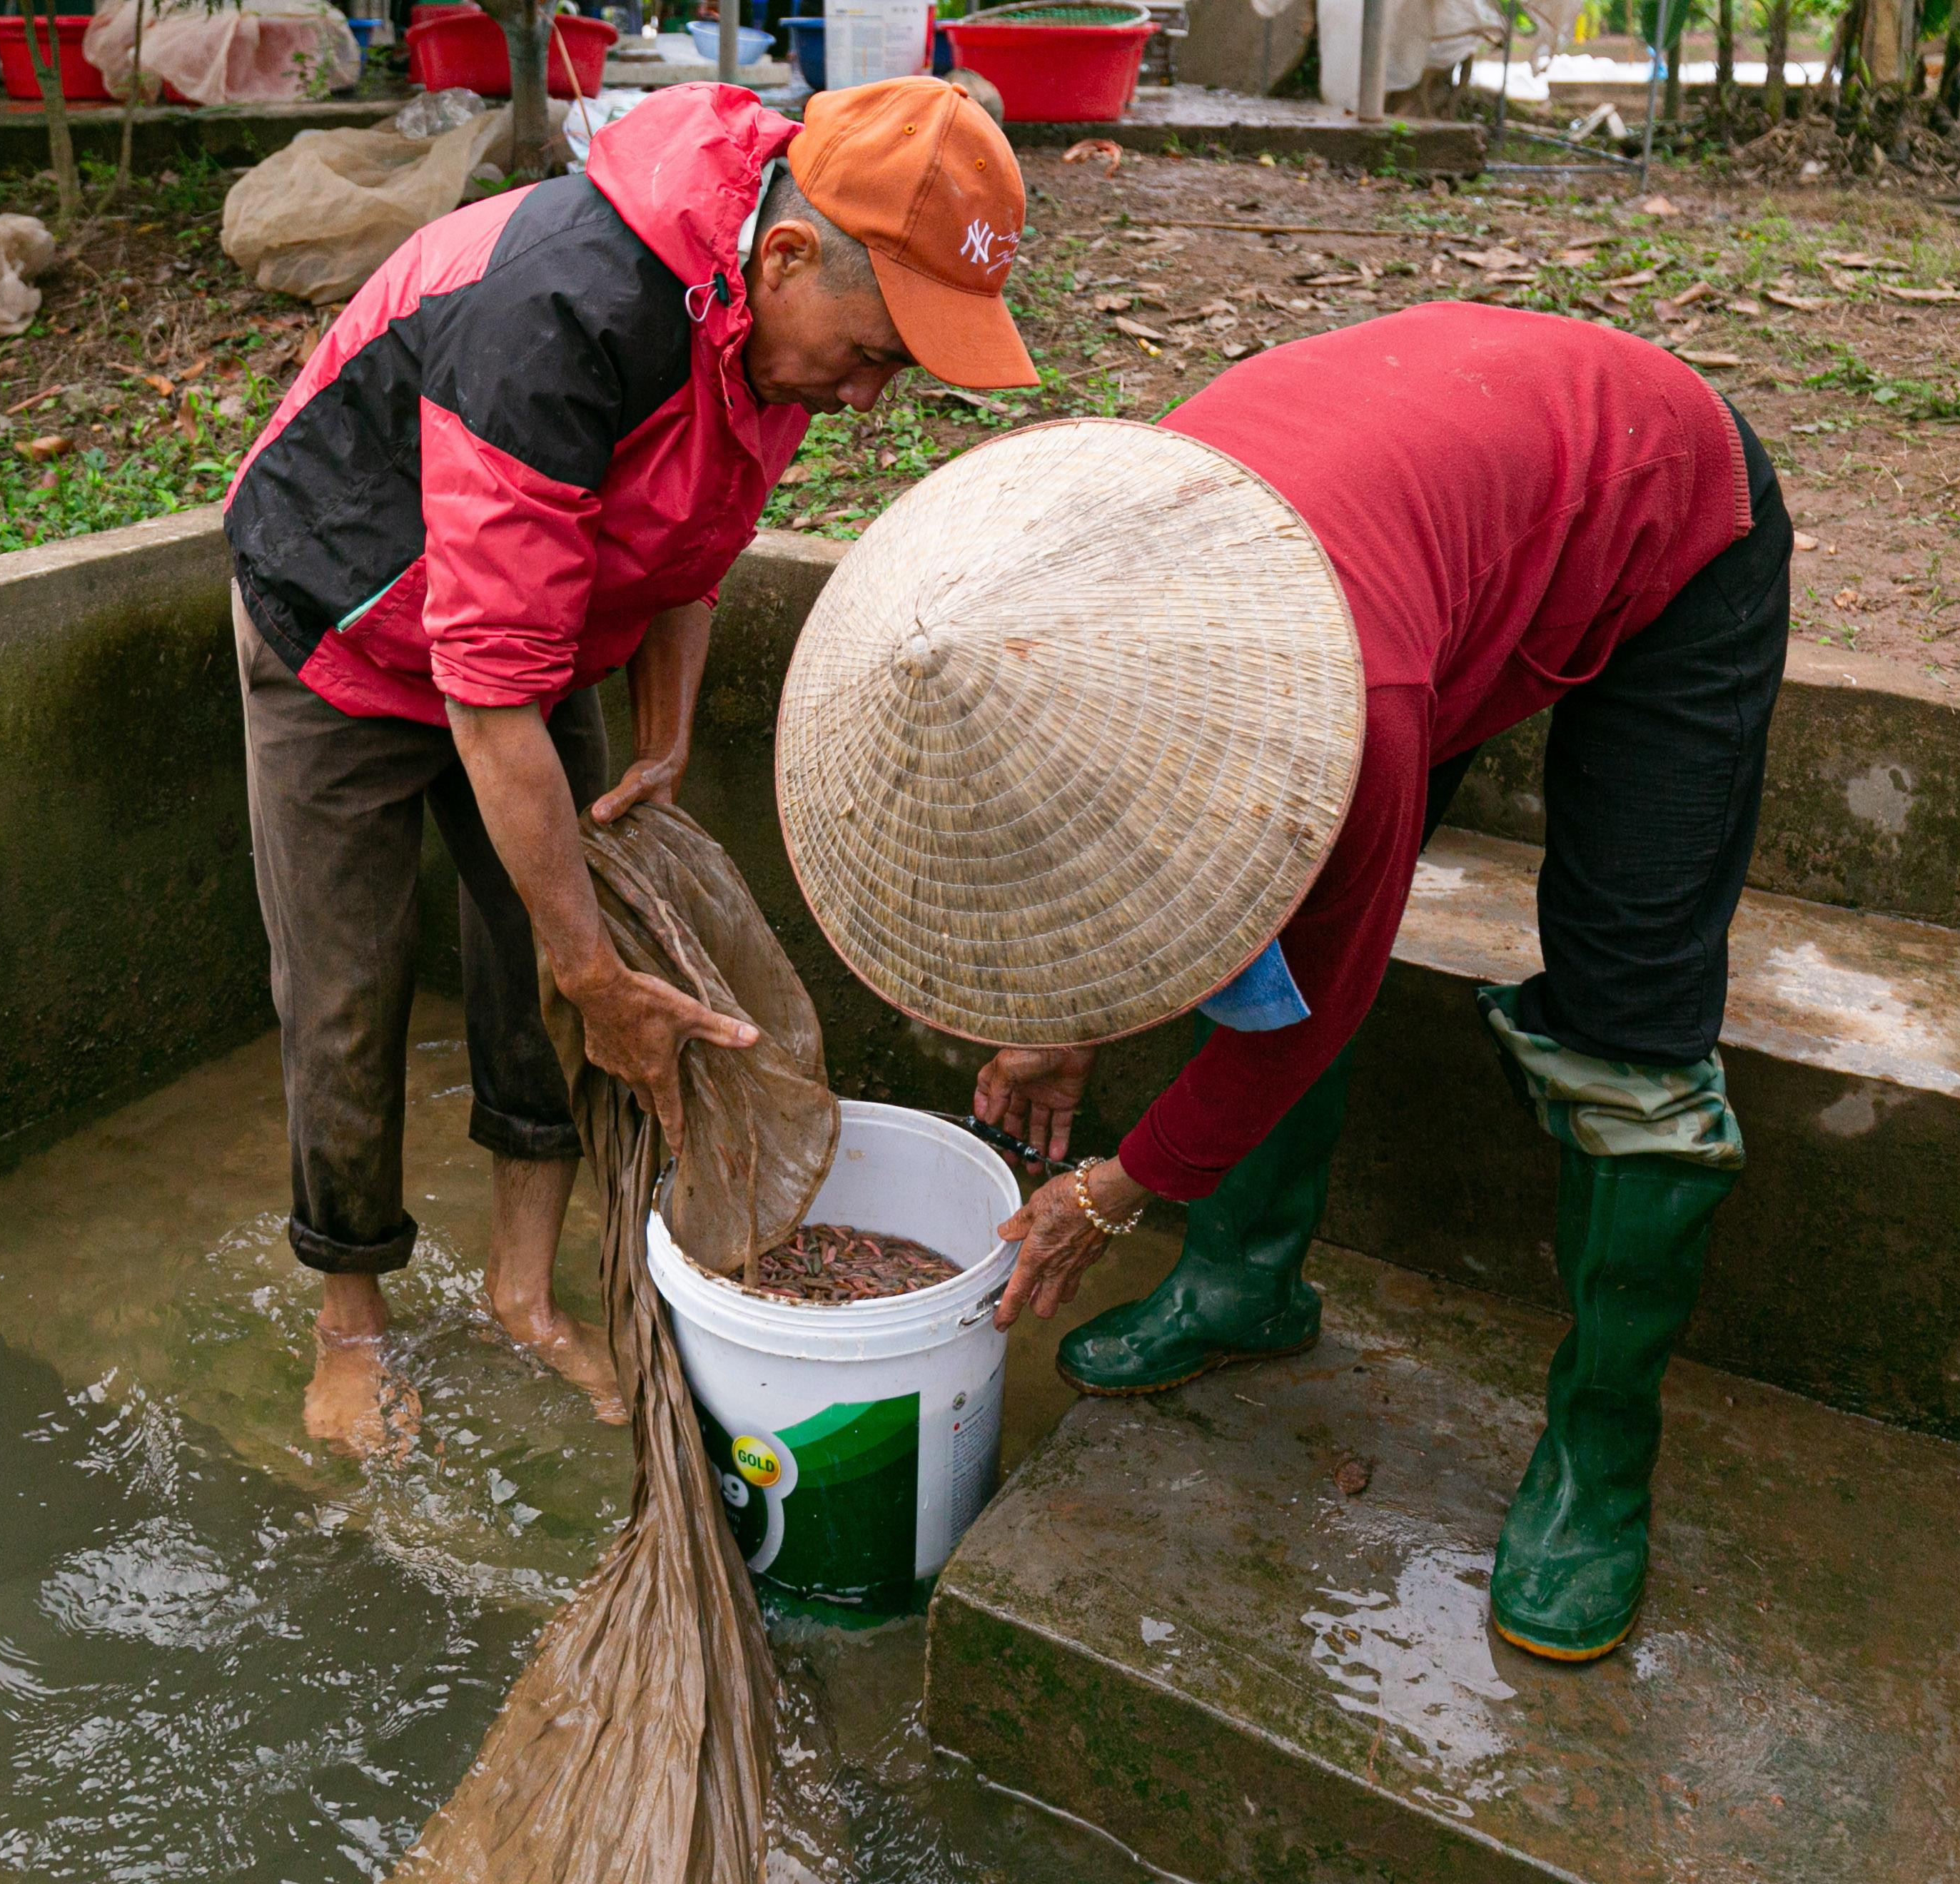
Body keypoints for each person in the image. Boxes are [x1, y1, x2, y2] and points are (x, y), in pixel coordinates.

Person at [906, 303, 1785, 1662]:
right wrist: (1067, 1016)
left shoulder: (1355, 709)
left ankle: (1600, 1455)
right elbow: (1127, 863)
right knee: (1244, 901)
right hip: (1429, 524)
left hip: (1654, 500)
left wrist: (1116, 1189)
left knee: (1632, 1017)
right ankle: (1244, 1285)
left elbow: (1309, 1006)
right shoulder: (1072, 603)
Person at [222, 77, 1037, 1459]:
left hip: (523, 647)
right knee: (349, 992)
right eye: (871, 353)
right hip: (344, 630)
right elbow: (489, 707)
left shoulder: (771, 333)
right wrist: (595, 970)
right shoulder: (552, 314)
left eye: (893, 369)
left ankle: (522, 1291)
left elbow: (691, 546)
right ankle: (349, 1322)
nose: (866, 395)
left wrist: (666, 733)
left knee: (547, 980)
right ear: (786, 258)